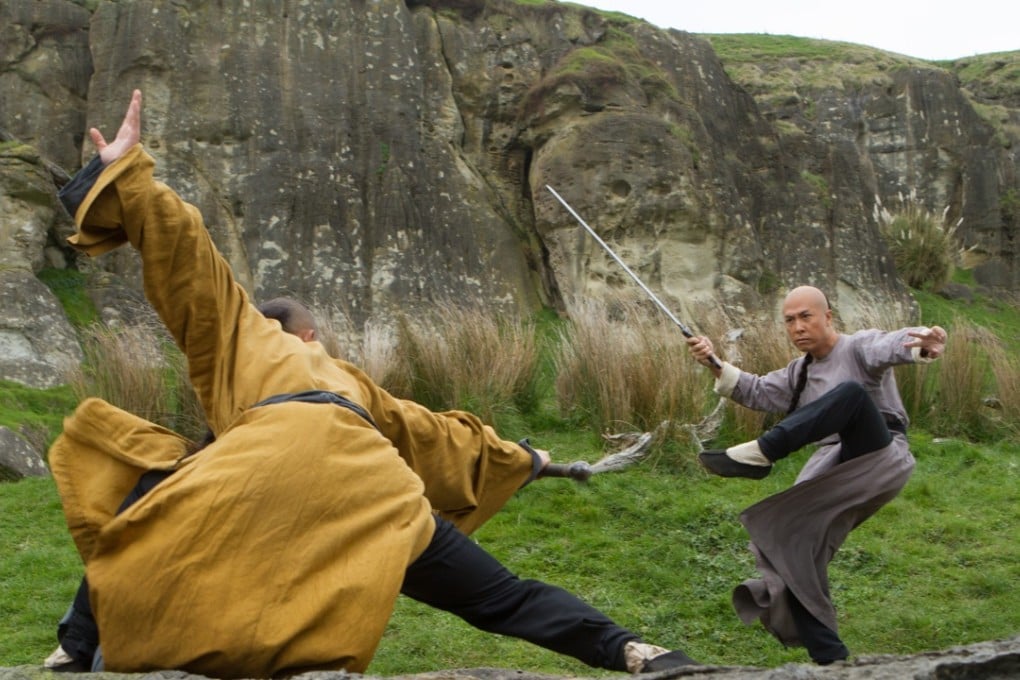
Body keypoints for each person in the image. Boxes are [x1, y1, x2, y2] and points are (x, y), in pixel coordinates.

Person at [46, 89, 698, 677]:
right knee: (502, 598)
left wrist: (128, 176)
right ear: (312, 336)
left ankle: (75, 648)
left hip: (261, 472)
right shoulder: (359, 392)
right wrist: (532, 459)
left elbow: (188, 256)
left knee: (142, 497)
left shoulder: (241, 335)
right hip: (373, 489)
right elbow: (444, 437)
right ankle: (635, 651)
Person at [686, 285, 946, 665]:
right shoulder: (800, 372)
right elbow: (757, 390)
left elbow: (889, 344)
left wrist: (921, 342)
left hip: (878, 453)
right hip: (833, 465)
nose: (798, 327)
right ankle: (831, 658)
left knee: (851, 396)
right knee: (787, 546)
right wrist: (712, 361)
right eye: (789, 320)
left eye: (806, 316)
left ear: (828, 317)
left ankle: (764, 451)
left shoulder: (858, 347)